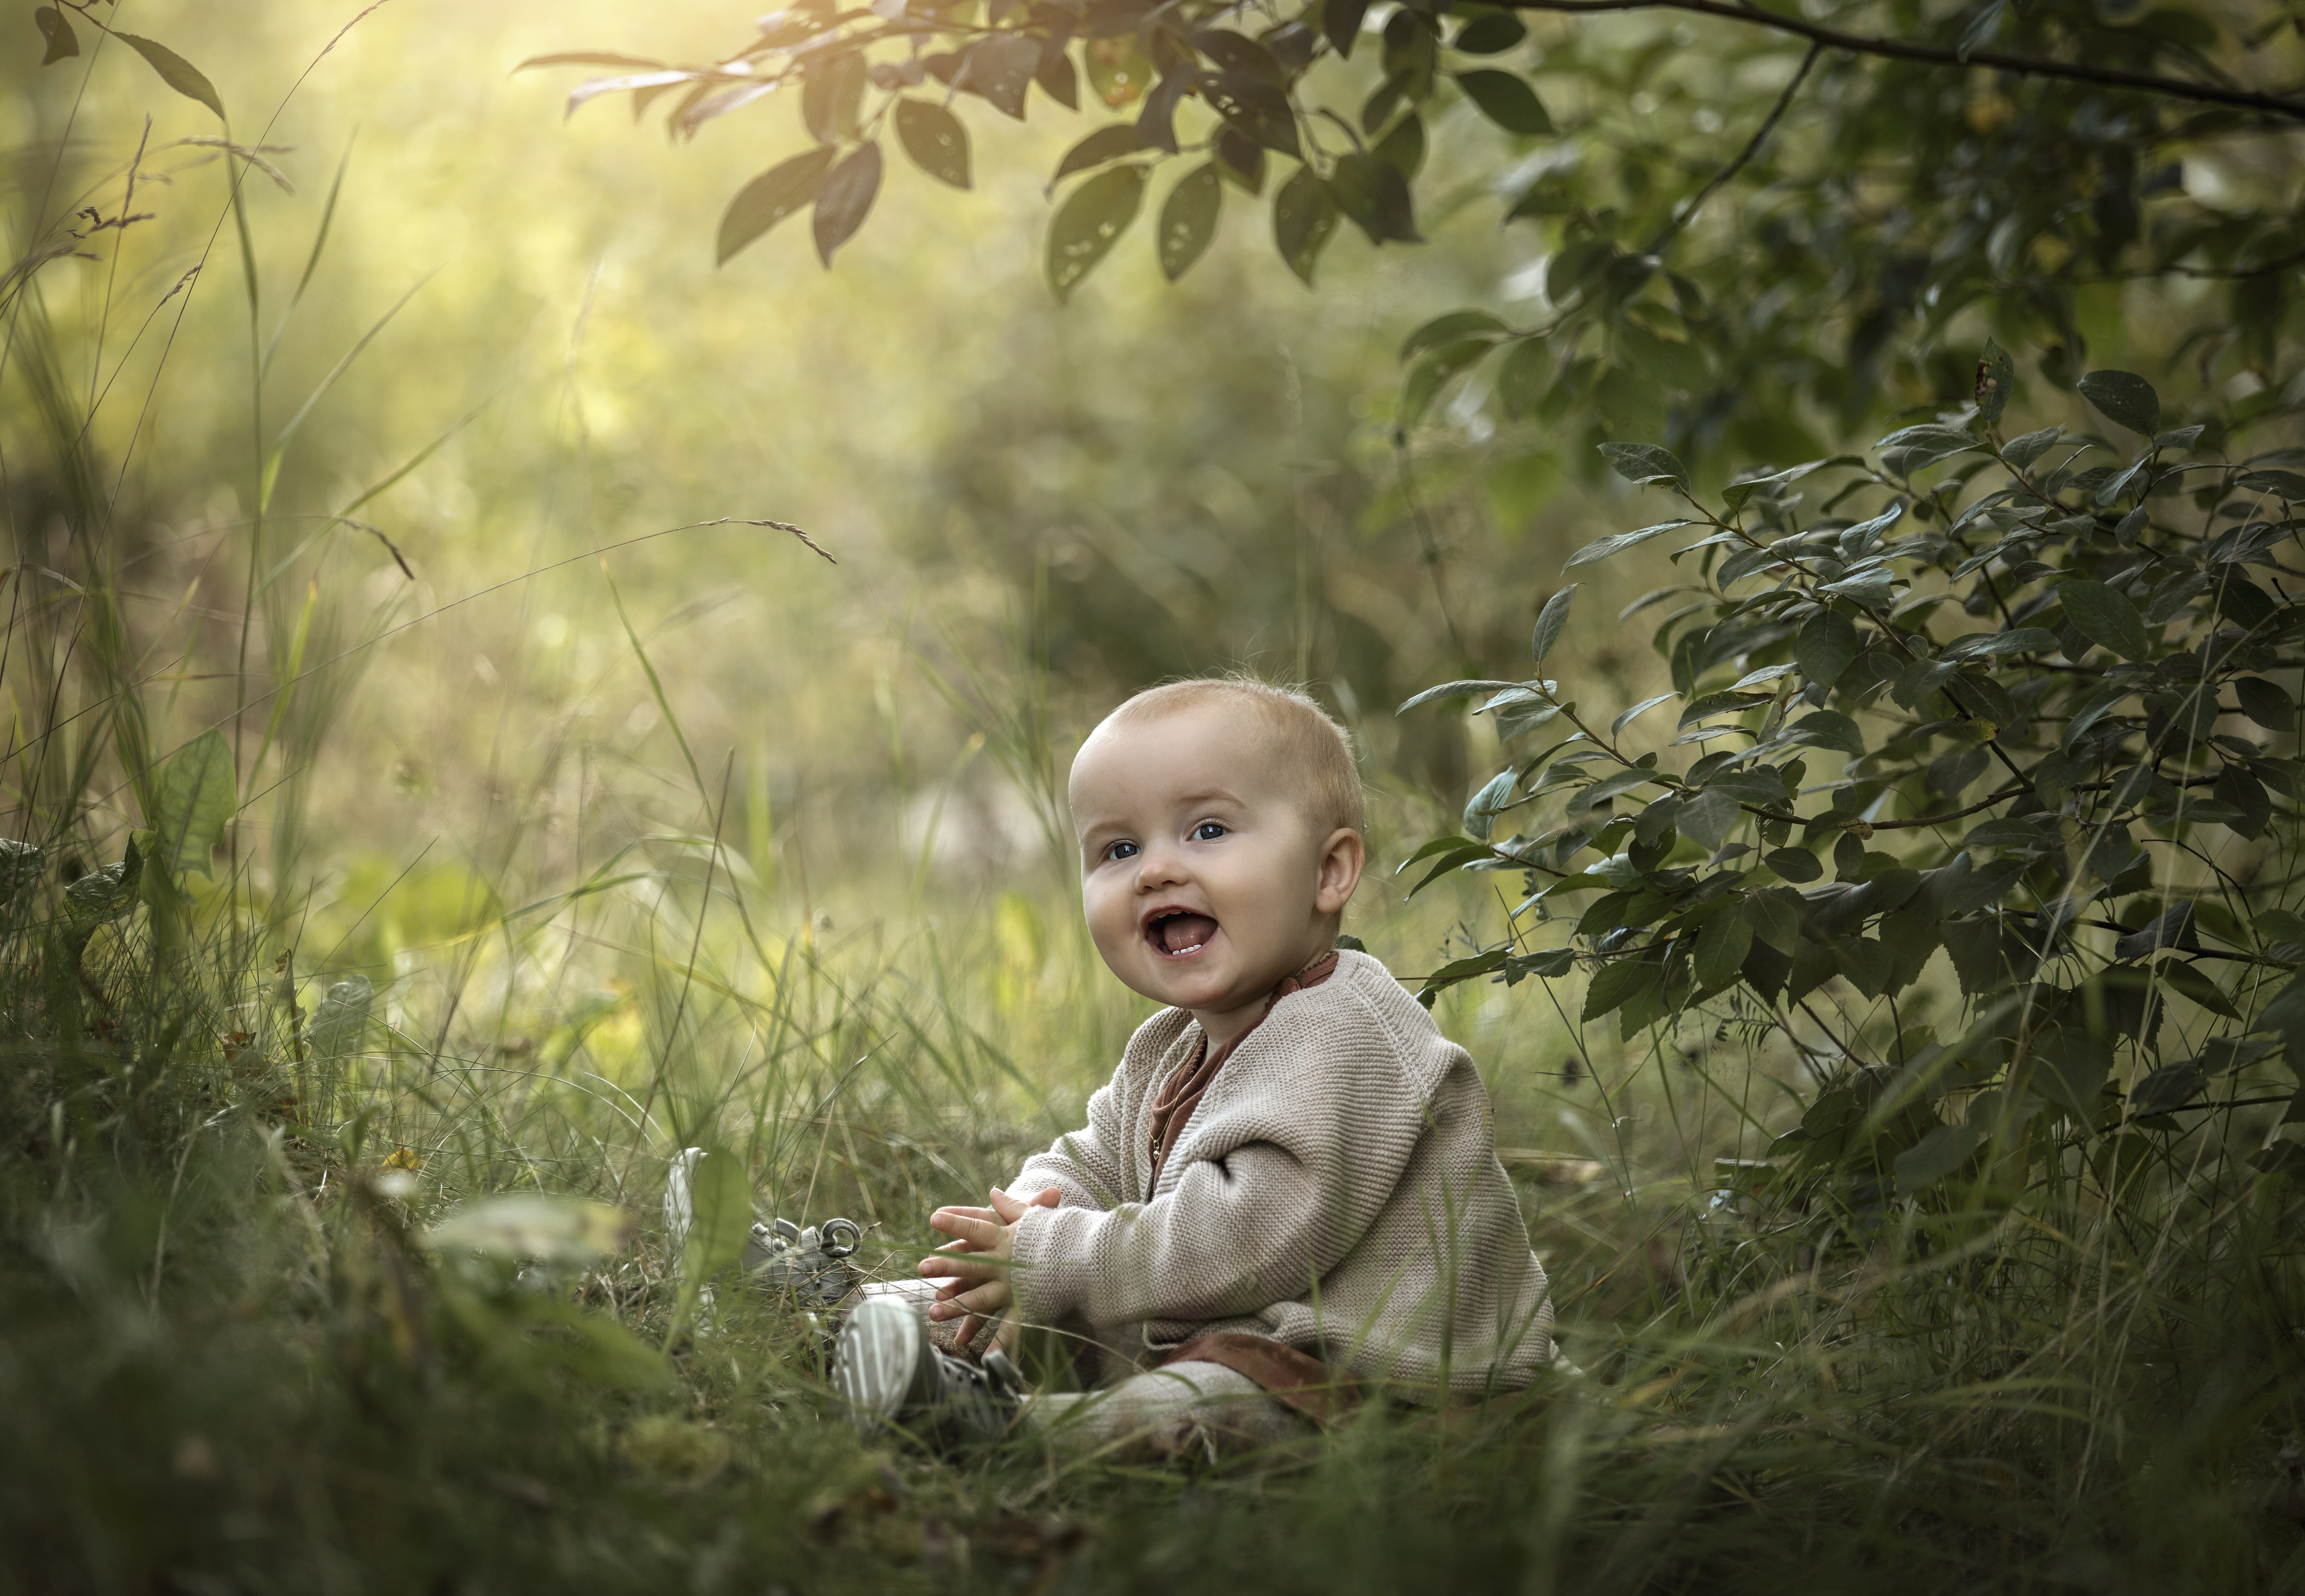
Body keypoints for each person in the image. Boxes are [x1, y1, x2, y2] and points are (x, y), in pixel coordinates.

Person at [832, 677, 1557, 1456]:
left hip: (1383, 1386)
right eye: (1118, 848)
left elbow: (1247, 1241)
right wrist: (1017, 1227)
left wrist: (1056, 1253)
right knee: (1037, 1296)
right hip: (1234, 1325)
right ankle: (852, 1316)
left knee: (1210, 1397)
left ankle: (997, 1429)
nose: (1155, 870)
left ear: (1328, 871)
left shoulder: (1350, 1036)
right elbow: (1091, 1157)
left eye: (1207, 829)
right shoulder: (1172, 1041)